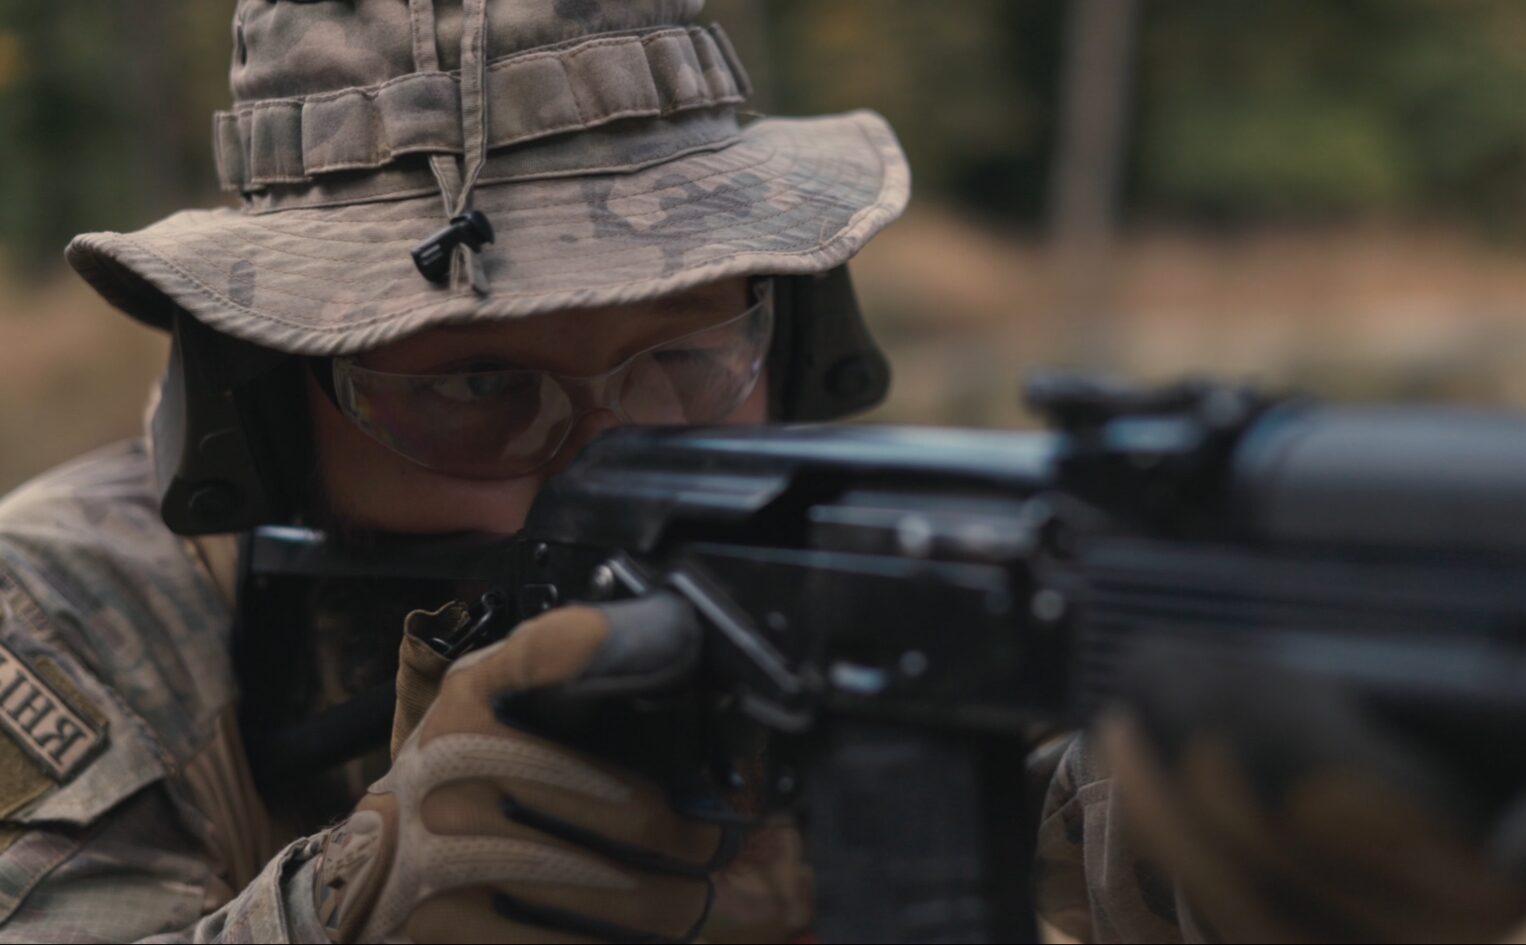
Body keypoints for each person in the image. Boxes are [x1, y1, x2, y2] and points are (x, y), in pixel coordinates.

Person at [0, 0, 905, 939]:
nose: (605, 462)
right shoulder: (64, 618)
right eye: (480, 386)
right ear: (269, 399)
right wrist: (341, 909)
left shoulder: (865, 573)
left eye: (683, 357)